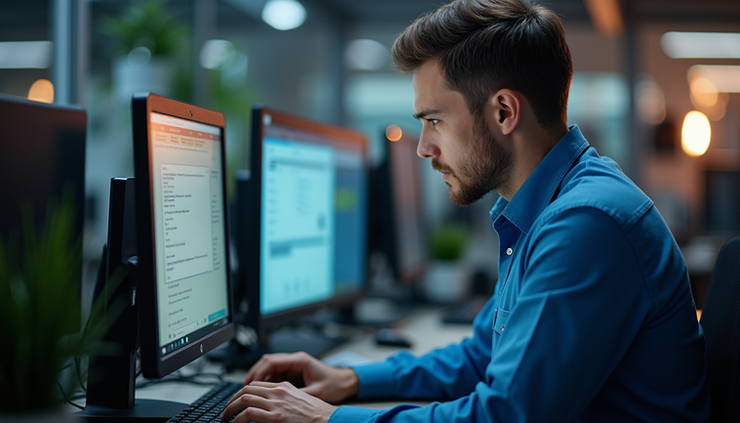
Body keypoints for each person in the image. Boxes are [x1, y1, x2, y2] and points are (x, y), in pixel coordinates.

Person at [221, 0, 710, 421]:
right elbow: (484, 356)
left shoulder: (586, 223)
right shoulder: (545, 208)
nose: (423, 147)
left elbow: (506, 415)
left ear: (503, 111)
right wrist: (349, 378)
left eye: (434, 120)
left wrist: (329, 418)